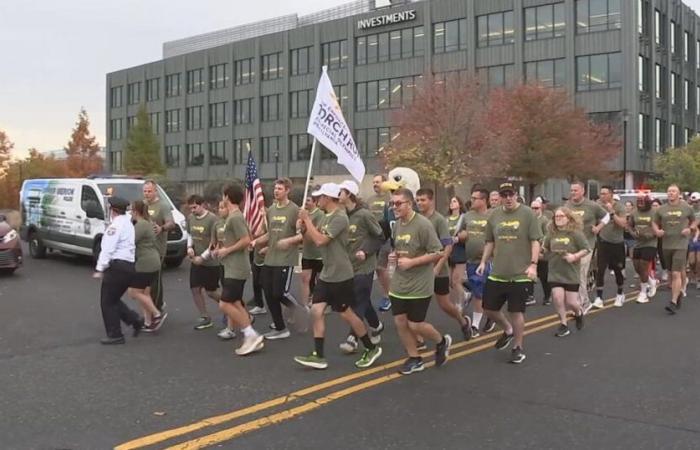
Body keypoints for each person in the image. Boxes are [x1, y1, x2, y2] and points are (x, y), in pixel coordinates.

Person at [294, 183, 383, 370]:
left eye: (320, 197)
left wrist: (308, 222)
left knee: (347, 314)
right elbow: (311, 237)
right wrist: (303, 226)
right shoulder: (325, 217)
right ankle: (318, 355)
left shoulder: (340, 218)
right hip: (327, 273)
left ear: (328, 197)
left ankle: (370, 347)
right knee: (316, 311)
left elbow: (320, 240)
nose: (317, 200)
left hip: (341, 275)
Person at [388, 188, 451, 375]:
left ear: (409, 204)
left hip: (419, 283)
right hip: (399, 282)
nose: (394, 207)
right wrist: (394, 256)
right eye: (392, 203)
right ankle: (415, 358)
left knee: (415, 324)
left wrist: (412, 262)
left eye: (398, 203)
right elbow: (400, 248)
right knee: (400, 321)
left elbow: (438, 252)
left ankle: (441, 341)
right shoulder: (397, 225)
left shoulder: (423, 225)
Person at [477, 182, 542, 364]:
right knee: (488, 309)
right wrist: (483, 262)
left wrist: (533, 264)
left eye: (510, 194)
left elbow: (535, 241)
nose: (507, 198)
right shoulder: (494, 215)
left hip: (520, 273)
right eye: (504, 195)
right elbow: (490, 241)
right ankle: (507, 329)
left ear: (516, 195)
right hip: (498, 271)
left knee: (516, 311)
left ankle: (517, 346)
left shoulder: (527, 214)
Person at [212, 184, 264, 356]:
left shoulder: (235, 217)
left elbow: (245, 240)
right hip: (231, 266)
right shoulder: (233, 217)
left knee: (225, 303)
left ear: (227, 197)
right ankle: (249, 335)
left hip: (237, 268)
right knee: (235, 302)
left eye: (223, 196)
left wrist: (226, 250)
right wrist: (222, 250)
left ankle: (251, 334)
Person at [416, 188, 472, 341]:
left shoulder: (439, 220)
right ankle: (418, 337)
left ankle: (463, 322)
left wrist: (438, 267)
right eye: (418, 200)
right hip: (420, 270)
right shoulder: (415, 219)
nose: (420, 203)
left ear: (431, 201)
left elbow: (447, 246)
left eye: (423, 200)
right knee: (417, 305)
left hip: (438, 270)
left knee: (445, 305)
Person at [337, 180, 385, 354]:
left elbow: (380, 237)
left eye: (340, 192)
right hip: (349, 266)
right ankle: (376, 325)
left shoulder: (364, 215)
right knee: (361, 300)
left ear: (349, 194)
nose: (338, 195)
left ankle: (352, 338)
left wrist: (366, 251)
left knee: (360, 298)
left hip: (365, 265)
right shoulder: (341, 215)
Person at [252, 178, 302, 340]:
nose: (276, 191)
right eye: (275, 188)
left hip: (285, 258)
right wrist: (255, 242)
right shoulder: (271, 210)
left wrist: (289, 241)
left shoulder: (295, 210)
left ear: (287, 190)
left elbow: (303, 235)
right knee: (268, 293)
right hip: (270, 258)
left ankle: (301, 312)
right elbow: (269, 234)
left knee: (279, 293)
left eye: (280, 188)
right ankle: (280, 328)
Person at [93, 197, 143, 345]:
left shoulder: (115, 226)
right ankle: (134, 320)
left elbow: (108, 249)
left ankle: (115, 334)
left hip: (117, 267)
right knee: (113, 299)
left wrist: (100, 268)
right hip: (129, 266)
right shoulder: (127, 222)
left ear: (111, 209)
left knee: (107, 301)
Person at [564, 181, 609, 313]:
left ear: (583, 191)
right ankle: (582, 301)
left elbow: (606, 216)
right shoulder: (567, 205)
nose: (573, 193)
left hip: (587, 244)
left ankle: (583, 302)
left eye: (575, 190)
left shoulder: (591, 205)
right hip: (571, 245)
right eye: (571, 190)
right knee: (573, 275)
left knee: (580, 274)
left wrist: (599, 227)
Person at [543, 207, 588, 337]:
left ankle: (578, 313)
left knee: (572, 302)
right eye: (556, 216)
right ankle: (563, 324)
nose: (558, 219)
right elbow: (544, 248)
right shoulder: (551, 233)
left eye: (561, 216)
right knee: (557, 298)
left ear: (568, 218)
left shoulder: (575, 233)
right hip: (555, 271)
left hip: (570, 273)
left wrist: (574, 257)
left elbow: (586, 249)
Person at [653, 184, 696, 314]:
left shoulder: (686, 207)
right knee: (671, 273)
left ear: (679, 194)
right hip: (666, 244)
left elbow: (694, 221)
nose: (670, 193)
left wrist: (690, 229)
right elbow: (654, 222)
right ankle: (678, 296)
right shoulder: (661, 209)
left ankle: (672, 302)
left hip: (681, 244)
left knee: (676, 273)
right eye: (669, 191)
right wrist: (657, 230)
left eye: (673, 191)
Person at [128, 201, 167, 332]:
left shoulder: (141, 225)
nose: (130, 213)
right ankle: (148, 322)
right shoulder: (147, 222)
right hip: (153, 261)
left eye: (131, 210)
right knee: (145, 292)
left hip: (145, 263)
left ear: (135, 211)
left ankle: (156, 314)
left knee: (134, 292)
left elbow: (130, 241)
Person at [186, 195, 222, 330]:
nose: (193, 211)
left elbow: (216, 242)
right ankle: (205, 317)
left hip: (211, 262)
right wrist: (189, 247)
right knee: (195, 289)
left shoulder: (213, 219)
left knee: (211, 292)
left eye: (195, 207)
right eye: (191, 208)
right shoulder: (190, 218)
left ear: (203, 205)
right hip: (196, 261)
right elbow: (190, 234)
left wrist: (203, 257)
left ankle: (232, 306)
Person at [464, 188, 495, 336]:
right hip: (471, 260)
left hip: (489, 260)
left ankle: (475, 325)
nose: (472, 200)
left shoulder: (493, 215)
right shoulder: (467, 216)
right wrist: (461, 235)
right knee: (479, 291)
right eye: (472, 197)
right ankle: (492, 315)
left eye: (475, 198)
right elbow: (458, 233)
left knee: (480, 292)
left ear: (483, 200)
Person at [143, 180, 176, 312]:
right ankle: (158, 304)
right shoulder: (143, 205)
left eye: (149, 191)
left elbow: (171, 223)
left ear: (155, 191)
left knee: (155, 280)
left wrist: (161, 228)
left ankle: (156, 309)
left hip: (158, 248)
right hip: (144, 249)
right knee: (147, 280)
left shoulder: (163, 206)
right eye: (145, 191)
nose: (147, 194)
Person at [593, 186, 628, 308]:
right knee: (600, 269)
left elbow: (623, 224)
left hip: (617, 243)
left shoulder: (620, 207)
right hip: (603, 242)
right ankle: (599, 297)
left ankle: (620, 293)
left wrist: (612, 212)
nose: (602, 196)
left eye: (604, 193)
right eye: (601, 193)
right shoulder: (597, 205)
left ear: (611, 194)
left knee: (618, 270)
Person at [212, 201, 239, 340]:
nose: (221, 210)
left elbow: (241, 240)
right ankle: (241, 321)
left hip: (233, 264)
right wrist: (215, 250)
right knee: (229, 296)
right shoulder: (217, 224)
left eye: (223, 207)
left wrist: (228, 250)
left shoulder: (233, 222)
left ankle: (232, 327)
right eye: (219, 207)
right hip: (222, 263)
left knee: (230, 299)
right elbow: (216, 243)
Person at [368, 174, 392, 313]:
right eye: (373, 182)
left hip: (386, 237)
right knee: (376, 268)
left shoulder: (389, 199)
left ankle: (388, 296)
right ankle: (387, 294)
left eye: (377, 182)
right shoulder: (370, 200)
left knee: (381, 267)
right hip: (372, 237)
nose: (375, 184)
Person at [629, 195, 658, 304]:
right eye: (638, 201)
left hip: (651, 243)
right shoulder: (634, 213)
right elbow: (629, 226)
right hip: (638, 243)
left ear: (648, 202)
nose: (640, 203)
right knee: (637, 268)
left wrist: (650, 234)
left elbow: (659, 227)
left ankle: (643, 293)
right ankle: (651, 281)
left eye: (642, 201)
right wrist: (633, 233)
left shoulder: (655, 213)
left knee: (643, 266)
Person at [300, 194, 324, 307]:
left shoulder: (320, 214)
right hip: (307, 253)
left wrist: (305, 227)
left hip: (318, 254)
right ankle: (304, 304)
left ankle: (319, 301)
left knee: (320, 280)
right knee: (305, 279)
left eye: (308, 200)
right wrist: (300, 228)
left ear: (314, 202)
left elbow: (315, 234)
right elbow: (300, 232)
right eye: (305, 201)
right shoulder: (303, 214)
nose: (306, 203)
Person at [446, 196, 468, 311]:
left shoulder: (463, 218)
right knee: (450, 282)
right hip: (449, 251)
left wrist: (458, 238)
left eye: (454, 201)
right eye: (451, 201)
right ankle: (465, 294)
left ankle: (460, 302)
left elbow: (466, 233)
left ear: (459, 204)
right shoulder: (447, 219)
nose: (452, 203)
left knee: (456, 280)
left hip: (460, 250)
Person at [531, 199, 551, 306]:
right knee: (529, 275)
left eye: (536, 208)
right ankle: (529, 296)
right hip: (530, 252)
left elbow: (547, 236)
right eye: (532, 208)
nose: (534, 210)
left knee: (544, 277)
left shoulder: (544, 220)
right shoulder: (529, 220)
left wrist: (541, 248)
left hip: (541, 253)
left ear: (541, 208)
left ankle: (547, 296)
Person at [687, 192, 700, 289]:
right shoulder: (689, 210)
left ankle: (698, 278)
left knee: (699, 260)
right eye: (694, 201)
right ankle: (693, 273)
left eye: (697, 201)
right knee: (691, 261)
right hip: (691, 237)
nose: (695, 203)